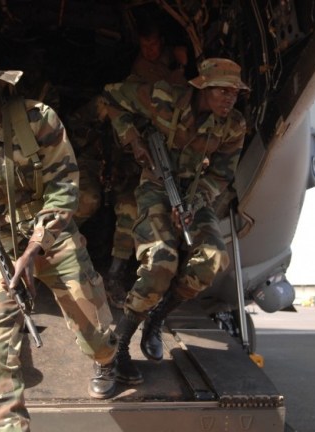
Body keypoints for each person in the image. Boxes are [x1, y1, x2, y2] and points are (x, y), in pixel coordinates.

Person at [0, 42, 118, 432]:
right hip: (0, 244)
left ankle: (109, 361)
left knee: (95, 333)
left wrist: (35, 248)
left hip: (54, 236)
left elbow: (65, 189)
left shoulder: (38, 120)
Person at [101, 58, 248, 384]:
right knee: (160, 263)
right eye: (223, 91)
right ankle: (119, 346)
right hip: (155, 185)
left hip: (193, 194)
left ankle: (157, 318)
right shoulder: (161, 97)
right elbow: (110, 97)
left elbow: (221, 175)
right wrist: (134, 141)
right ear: (204, 87)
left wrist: (195, 202)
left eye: (235, 93)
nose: (230, 99)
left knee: (211, 260)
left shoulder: (233, 126)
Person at [104, 20, 190, 309]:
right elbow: (112, 99)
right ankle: (116, 273)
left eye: (153, 45)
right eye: (144, 46)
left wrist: (181, 66)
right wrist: (134, 141)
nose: (149, 51)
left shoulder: (173, 62)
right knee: (130, 209)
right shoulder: (141, 77)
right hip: (138, 155)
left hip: (169, 152)